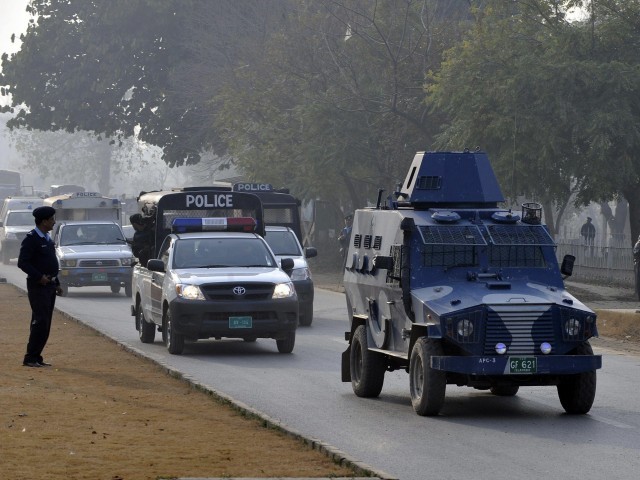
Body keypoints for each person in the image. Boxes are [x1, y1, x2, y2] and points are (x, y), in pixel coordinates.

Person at [17, 206, 63, 368]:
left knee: (46, 322)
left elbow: (51, 263)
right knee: (40, 320)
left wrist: (56, 283)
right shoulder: (32, 239)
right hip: (38, 286)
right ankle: (30, 357)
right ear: (44, 221)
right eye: (51, 220)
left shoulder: (47, 239)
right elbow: (22, 262)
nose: (53, 222)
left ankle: (37, 356)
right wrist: (39, 277)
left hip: (49, 285)